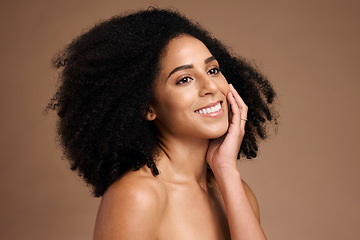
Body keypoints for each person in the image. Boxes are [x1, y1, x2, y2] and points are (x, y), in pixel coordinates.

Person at [48, 8, 277, 240]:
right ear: (148, 107)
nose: (210, 87)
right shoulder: (137, 196)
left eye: (213, 70)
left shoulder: (236, 192)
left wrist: (226, 169)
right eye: (184, 79)